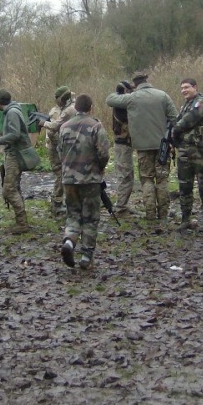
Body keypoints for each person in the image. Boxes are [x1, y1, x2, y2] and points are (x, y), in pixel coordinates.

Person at [106, 72, 177, 229]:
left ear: (135, 84)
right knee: (163, 180)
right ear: (147, 81)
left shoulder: (132, 98)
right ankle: (163, 215)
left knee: (147, 179)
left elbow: (110, 100)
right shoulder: (163, 95)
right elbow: (175, 118)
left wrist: (120, 89)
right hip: (162, 145)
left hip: (142, 147)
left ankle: (150, 215)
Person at [58, 94, 110, 269]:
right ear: (91, 108)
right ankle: (87, 256)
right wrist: (99, 168)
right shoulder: (96, 126)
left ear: (76, 108)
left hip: (68, 179)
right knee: (90, 218)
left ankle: (69, 242)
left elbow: (60, 152)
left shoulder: (64, 127)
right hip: (90, 180)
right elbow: (104, 153)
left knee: (73, 215)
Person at [0, 89, 32, 234]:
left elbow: (14, 134)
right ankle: (21, 221)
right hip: (15, 154)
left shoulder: (12, 113)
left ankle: (22, 224)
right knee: (14, 187)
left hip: (15, 155)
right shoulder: (14, 110)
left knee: (8, 190)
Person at [172, 78, 203, 233]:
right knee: (184, 186)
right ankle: (185, 219)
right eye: (182, 88)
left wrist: (175, 129)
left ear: (195, 87)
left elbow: (189, 120)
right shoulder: (185, 106)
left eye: (187, 87)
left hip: (201, 152)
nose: (184, 90)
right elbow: (179, 121)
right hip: (185, 151)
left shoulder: (201, 102)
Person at [39, 86, 76, 217]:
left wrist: (43, 123)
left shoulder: (71, 109)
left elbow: (56, 126)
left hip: (66, 146)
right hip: (54, 146)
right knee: (60, 173)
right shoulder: (55, 110)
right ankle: (57, 202)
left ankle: (62, 202)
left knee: (66, 174)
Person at [111, 80, 136, 218]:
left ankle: (123, 205)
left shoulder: (119, 103)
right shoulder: (122, 106)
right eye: (130, 90)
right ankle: (121, 208)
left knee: (126, 174)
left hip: (123, 144)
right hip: (123, 144)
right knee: (125, 176)